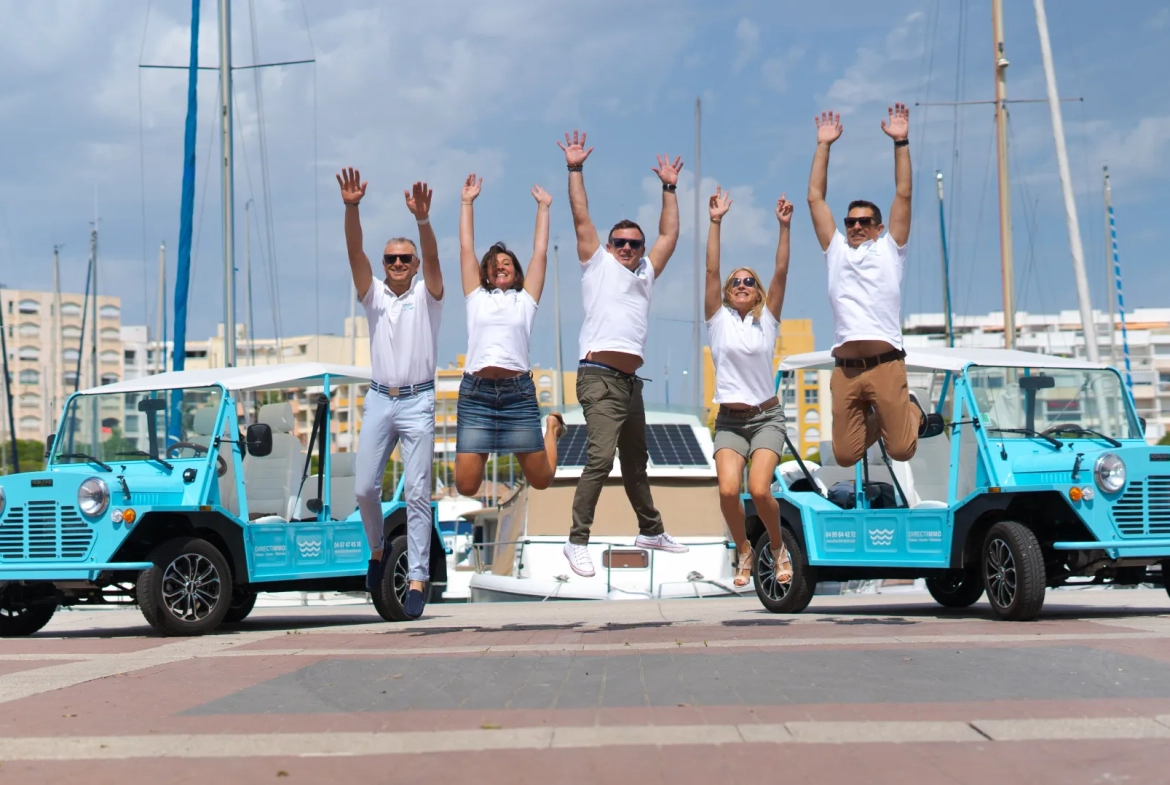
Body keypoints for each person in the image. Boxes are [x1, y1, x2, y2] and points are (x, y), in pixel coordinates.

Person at [556, 129, 688, 578]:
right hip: (598, 376)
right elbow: (580, 216)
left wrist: (669, 187)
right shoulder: (598, 264)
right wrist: (575, 169)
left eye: (635, 242)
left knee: (637, 462)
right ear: (610, 247)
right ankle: (577, 541)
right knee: (600, 458)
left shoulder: (646, 273)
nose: (629, 248)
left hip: (630, 384)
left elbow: (670, 233)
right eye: (621, 243)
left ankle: (651, 529)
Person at [337, 167, 442, 620]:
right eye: (391, 259)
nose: (397, 264)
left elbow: (437, 263)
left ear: (414, 265)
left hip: (418, 401)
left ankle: (418, 576)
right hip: (380, 398)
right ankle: (378, 550)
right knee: (364, 489)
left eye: (405, 259)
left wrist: (422, 222)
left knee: (418, 493)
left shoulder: (427, 295)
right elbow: (354, 251)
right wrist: (352, 206)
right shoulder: (374, 296)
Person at [807, 103, 922, 468]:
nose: (856, 227)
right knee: (844, 456)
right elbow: (815, 198)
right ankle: (888, 419)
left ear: (878, 227)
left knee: (902, 450)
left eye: (864, 221)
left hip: (885, 364)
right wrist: (824, 146)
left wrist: (900, 142)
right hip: (846, 368)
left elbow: (903, 194)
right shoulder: (836, 250)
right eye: (850, 222)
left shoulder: (891, 250)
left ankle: (911, 412)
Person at [454, 174, 565, 496]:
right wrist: (466, 202)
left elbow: (540, 253)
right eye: (494, 263)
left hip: (517, 395)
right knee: (466, 486)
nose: (501, 266)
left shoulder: (525, 299)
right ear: (486, 273)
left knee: (542, 480)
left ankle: (552, 427)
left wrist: (544, 209)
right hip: (477, 395)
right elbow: (465, 247)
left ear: (516, 272)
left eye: (507, 263)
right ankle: (487, 440)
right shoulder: (476, 296)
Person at [705, 187, 794, 588]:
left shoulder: (767, 320)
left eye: (749, 282)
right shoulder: (717, 320)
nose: (742, 284)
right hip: (729, 419)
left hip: (766, 417)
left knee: (759, 490)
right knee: (727, 491)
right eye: (736, 281)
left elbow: (781, 272)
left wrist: (784, 227)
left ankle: (776, 547)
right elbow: (710, 271)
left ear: (757, 292)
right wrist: (716, 222)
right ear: (727, 291)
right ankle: (743, 549)